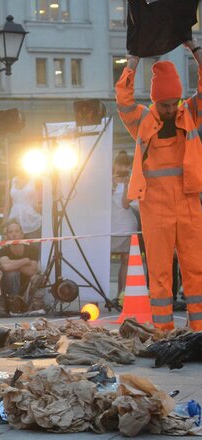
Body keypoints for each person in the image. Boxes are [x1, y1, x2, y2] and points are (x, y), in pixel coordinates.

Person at [118, 46, 202, 330]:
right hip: (155, 207)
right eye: (165, 104)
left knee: (196, 270)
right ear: (155, 101)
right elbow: (123, 100)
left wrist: (197, 52)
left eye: (174, 103)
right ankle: (164, 332)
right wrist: (132, 64)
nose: (171, 109)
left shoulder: (188, 112)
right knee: (160, 272)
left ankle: (199, 330)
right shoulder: (142, 119)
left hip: (189, 203)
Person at [0, 220, 46, 313]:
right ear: (7, 236)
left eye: (16, 231)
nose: (14, 234)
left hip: (27, 285)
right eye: (10, 232)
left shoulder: (32, 249)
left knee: (38, 277)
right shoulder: (2, 251)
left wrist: (13, 264)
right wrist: (25, 261)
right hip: (8, 286)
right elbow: (5, 267)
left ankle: (33, 305)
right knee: (11, 274)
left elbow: (33, 271)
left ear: (22, 234)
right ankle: (14, 304)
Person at [110, 151, 137, 303]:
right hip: (108, 226)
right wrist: (112, 183)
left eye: (126, 165)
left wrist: (127, 184)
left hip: (126, 225)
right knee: (103, 259)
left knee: (125, 260)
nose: (123, 168)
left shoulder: (132, 180)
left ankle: (122, 295)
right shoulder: (107, 180)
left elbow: (126, 204)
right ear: (114, 165)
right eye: (120, 164)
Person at [3, 164, 43, 243]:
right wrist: (4, 226)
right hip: (14, 221)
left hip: (32, 221)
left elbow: (42, 200)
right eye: (18, 165)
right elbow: (7, 206)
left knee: (34, 248)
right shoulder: (10, 182)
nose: (20, 168)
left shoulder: (36, 180)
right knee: (14, 248)